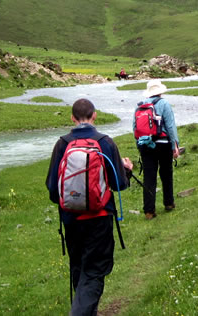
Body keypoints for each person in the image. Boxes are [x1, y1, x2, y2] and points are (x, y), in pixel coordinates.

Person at [45, 98, 133, 316]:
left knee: (79, 268)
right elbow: (119, 184)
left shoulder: (62, 144)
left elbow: (52, 190)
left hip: (70, 219)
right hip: (99, 218)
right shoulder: (105, 142)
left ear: (72, 118)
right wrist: (127, 169)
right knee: (93, 272)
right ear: (95, 116)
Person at [134, 80, 180, 219]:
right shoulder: (164, 104)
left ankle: (149, 210)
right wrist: (175, 145)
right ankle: (169, 203)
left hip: (146, 145)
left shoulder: (140, 106)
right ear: (160, 91)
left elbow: (134, 128)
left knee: (149, 176)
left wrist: (139, 145)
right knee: (166, 172)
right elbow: (171, 126)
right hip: (163, 143)